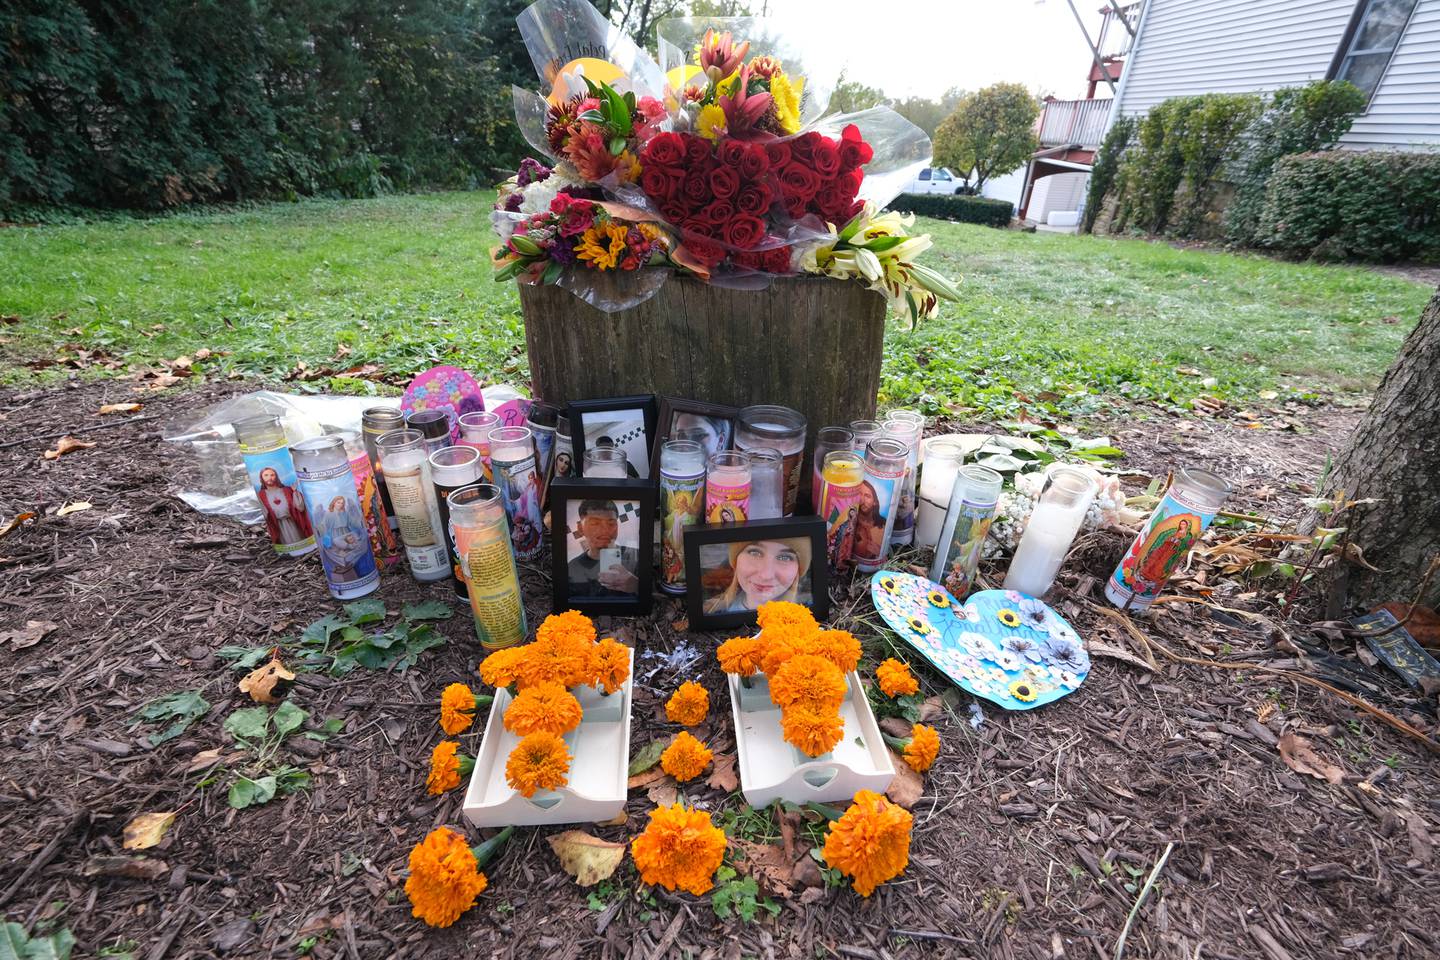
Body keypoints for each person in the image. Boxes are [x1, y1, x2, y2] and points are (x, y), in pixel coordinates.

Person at [705, 538, 811, 613]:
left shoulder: (811, 618)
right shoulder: (710, 611)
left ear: (798, 569)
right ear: (736, 561)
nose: (766, 575)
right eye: (754, 553)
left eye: (784, 558)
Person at [567, 499, 640, 597]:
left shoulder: (636, 556)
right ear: (580, 528)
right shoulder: (572, 568)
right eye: (595, 523)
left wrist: (636, 585)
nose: (605, 530)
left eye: (611, 523)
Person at [257, 466, 312, 545]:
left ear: (276, 476)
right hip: (277, 526)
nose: (270, 477)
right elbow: (265, 514)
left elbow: (300, 508)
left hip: (292, 522)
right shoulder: (261, 495)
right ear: (261, 478)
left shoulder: (287, 490)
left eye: (272, 475)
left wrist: (295, 492)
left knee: (298, 540)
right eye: (266, 475)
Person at [851, 480, 887, 564]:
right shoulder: (849, 518)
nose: (862, 500)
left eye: (867, 496)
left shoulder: (882, 526)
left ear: (875, 502)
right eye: (859, 494)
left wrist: (878, 553)